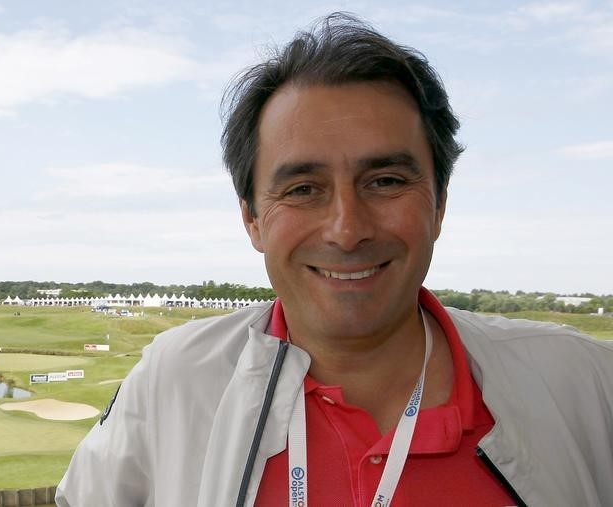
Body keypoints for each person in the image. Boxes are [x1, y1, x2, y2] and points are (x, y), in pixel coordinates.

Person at [56, 13, 613, 506]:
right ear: (251, 218)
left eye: (386, 181)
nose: (347, 230)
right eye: (302, 188)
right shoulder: (174, 380)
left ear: (439, 204)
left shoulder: (586, 385)